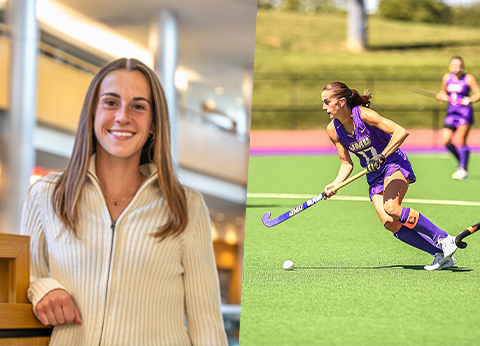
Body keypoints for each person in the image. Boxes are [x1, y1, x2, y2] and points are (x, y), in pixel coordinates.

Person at [21, 58, 228, 346]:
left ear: (154, 123)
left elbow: (206, 324)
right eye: (110, 102)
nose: (122, 116)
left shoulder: (186, 206)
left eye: (138, 106)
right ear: (93, 113)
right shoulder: (47, 194)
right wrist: (43, 288)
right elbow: (24, 276)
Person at [322, 82, 458, 271]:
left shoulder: (362, 115)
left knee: (392, 208)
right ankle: (440, 254)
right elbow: (346, 163)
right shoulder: (333, 130)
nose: (324, 107)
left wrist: (382, 155)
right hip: (374, 175)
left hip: (393, 163)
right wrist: (335, 184)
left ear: (342, 101)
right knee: (389, 222)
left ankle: (444, 238)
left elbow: (401, 132)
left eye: (327, 102)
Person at [436, 56, 480, 180]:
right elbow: (443, 92)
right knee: (446, 140)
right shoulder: (447, 78)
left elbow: (478, 93)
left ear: (463, 67)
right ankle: (461, 162)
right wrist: (441, 96)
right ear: (450, 66)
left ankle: (463, 169)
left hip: (464, 114)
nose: (457, 68)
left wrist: (470, 100)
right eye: (455, 65)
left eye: (460, 66)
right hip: (451, 114)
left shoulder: (468, 78)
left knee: (461, 140)